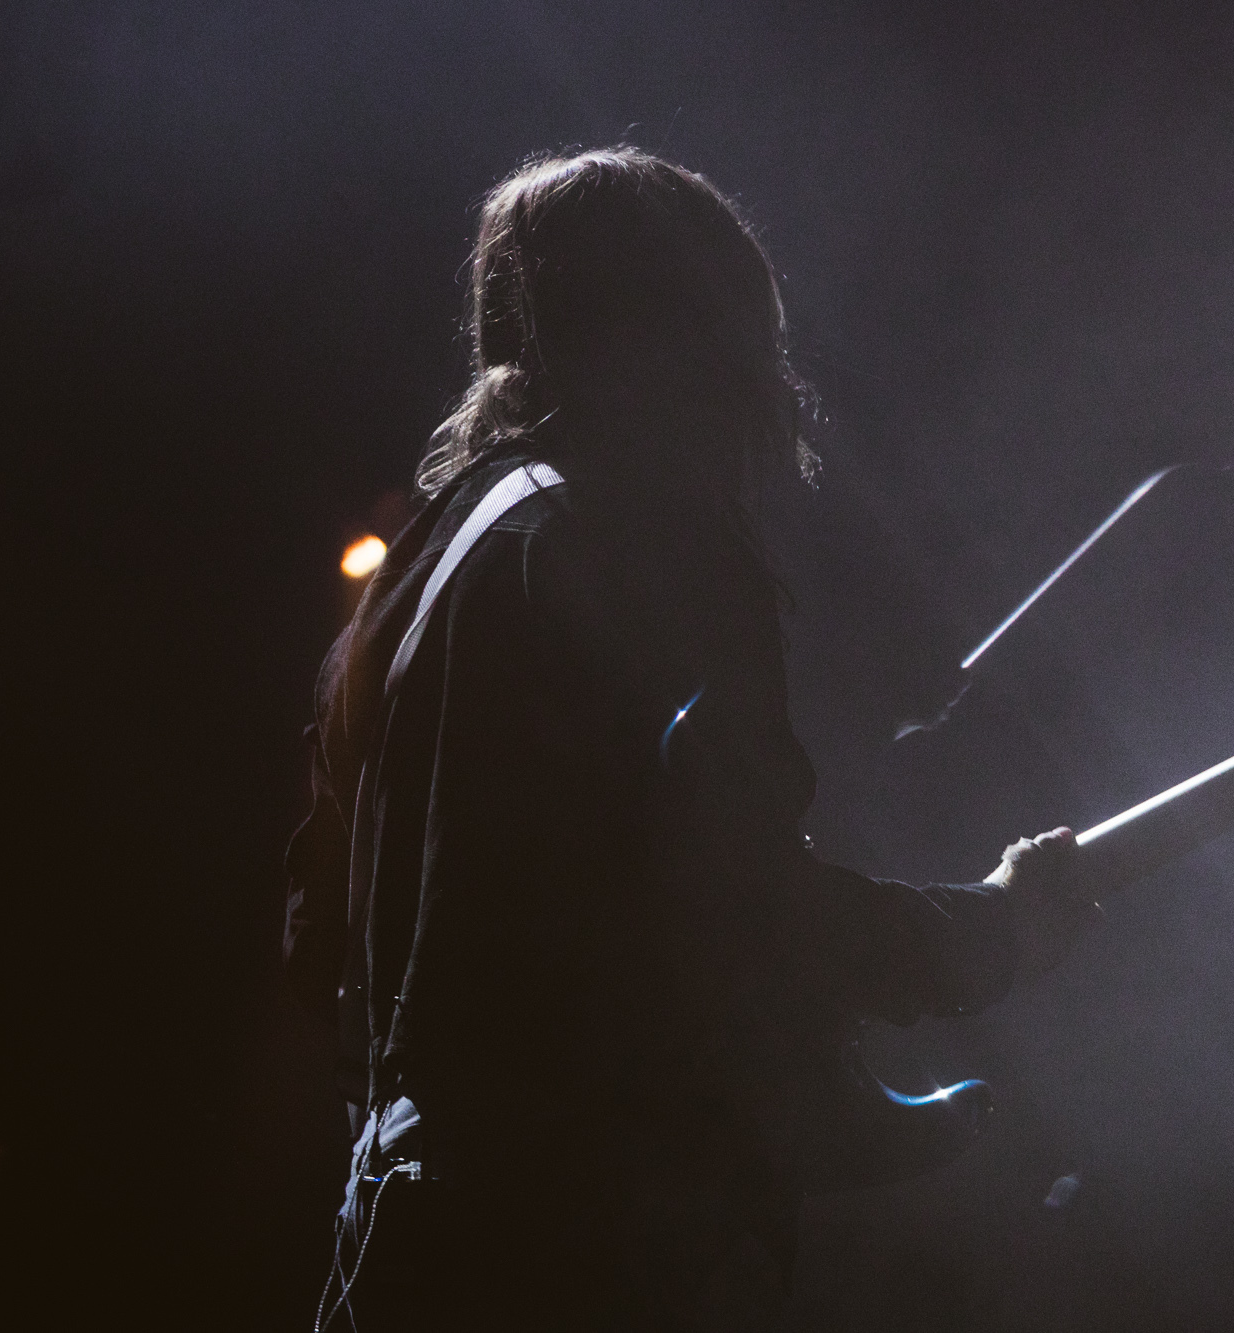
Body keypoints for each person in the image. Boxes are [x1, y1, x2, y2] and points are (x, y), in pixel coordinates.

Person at [283, 147, 1097, 1329]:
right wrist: (982, 933)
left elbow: (316, 937)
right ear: (714, 330)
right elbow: (741, 910)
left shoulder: (422, 567)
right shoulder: (646, 538)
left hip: (405, 1238)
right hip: (601, 1247)